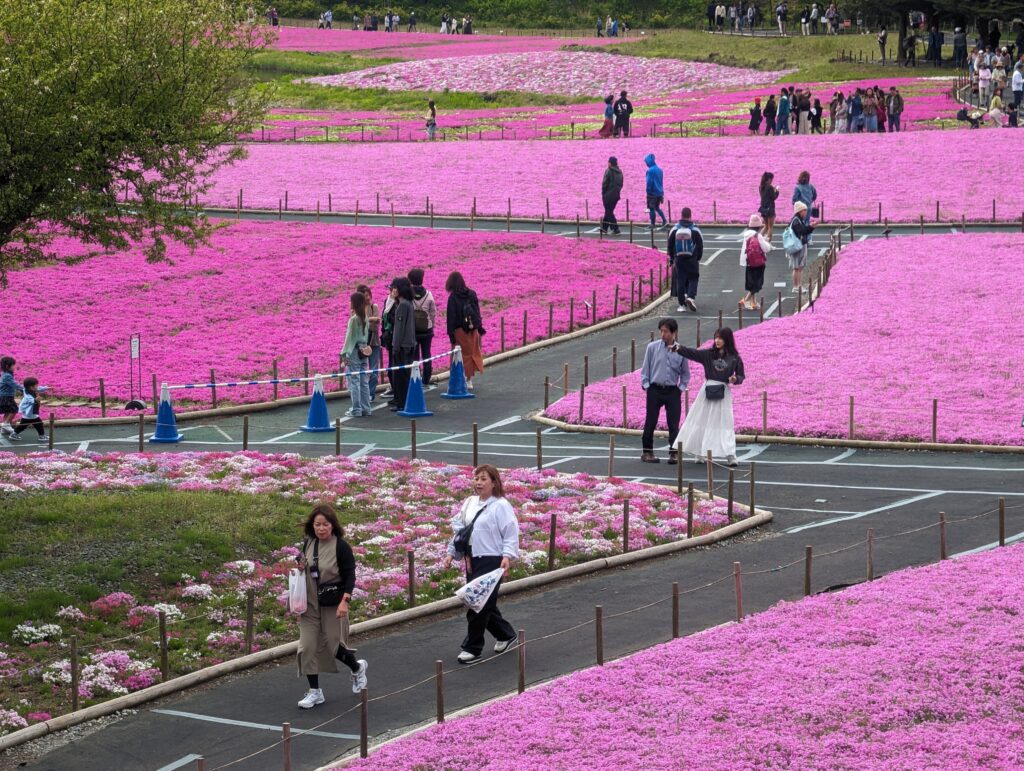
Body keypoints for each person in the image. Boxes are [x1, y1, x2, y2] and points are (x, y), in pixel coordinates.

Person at [443, 465, 519, 663]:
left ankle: (473, 647)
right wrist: (452, 553)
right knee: (481, 601)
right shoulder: (469, 502)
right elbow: (461, 530)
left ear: (494, 482)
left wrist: (507, 556)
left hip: (492, 558)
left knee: (479, 602)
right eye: (476, 478)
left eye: (484, 479)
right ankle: (505, 634)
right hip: (471, 558)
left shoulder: (501, 505)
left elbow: (510, 531)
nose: (478, 483)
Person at [295, 503, 367, 709]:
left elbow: (350, 575)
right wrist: (301, 566)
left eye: (325, 524)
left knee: (334, 645)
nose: (321, 528)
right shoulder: (309, 543)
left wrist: (345, 601)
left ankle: (357, 668)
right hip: (310, 603)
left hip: (333, 603)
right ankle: (314, 691)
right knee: (307, 646)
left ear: (332, 525)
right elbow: (306, 567)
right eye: (317, 524)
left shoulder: (341, 547)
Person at [673, 328, 745, 467]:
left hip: (723, 392)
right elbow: (693, 353)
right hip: (707, 391)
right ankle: (700, 453)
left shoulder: (735, 357)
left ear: (727, 340)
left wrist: (735, 379)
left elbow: (741, 375)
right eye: (716, 337)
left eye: (720, 338)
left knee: (725, 423)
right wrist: (679, 348)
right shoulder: (709, 354)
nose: (717, 340)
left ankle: (730, 455)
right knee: (701, 420)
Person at [639, 318, 689, 464]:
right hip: (654, 389)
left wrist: (680, 388)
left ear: (674, 333)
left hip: (672, 390)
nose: (662, 334)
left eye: (665, 331)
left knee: (673, 423)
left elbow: (685, 373)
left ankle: (674, 453)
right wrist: (646, 385)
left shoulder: (681, 351)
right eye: (661, 331)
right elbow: (645, 369)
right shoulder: (652, 347)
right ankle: (647, 452)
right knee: (651, 421)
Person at [445, 271, 484, 390]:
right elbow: (477, 311)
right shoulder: (472, 293)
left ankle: (459, 379)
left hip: (459, 331)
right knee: (471, 354)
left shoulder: (453, 297)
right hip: (472, 330)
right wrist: (479, 327)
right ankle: (468, 380)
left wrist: (451, 334)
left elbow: (451, 317)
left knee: (459, 355)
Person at [341, 291, 372, 418]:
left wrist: (344, 354)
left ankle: (356, 409)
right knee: (363, 381)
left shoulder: (353, 320)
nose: (349, 303)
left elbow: (349, 339)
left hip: (354, 352)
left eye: (351, 301)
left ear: (355, 303)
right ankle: (366, 408)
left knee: (354, 381)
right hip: (364, 350)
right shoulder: (365, 317)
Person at [388, 277, 417, 412]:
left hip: (402, 346)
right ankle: (402, 402)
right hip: (409, 344)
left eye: (395, 287)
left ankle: (401, 403)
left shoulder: (402, 305)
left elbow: (399, 329)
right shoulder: (409, 303)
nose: (392, 290)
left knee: (400, 377)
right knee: (404, 375)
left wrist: (395, 347)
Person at [668, 207, 704, 313]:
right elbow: (700, 245)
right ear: (690, 215)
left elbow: (670, 245)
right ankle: (690, 297)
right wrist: (698, 257)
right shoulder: (695, 229)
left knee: (680, 280)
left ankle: (681, 305)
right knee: (693, 278)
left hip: (679, 259)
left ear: (681, 215)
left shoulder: (675, 229)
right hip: (692, 259)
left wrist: (672, 257)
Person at [409, 268, 437, 386]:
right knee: (427, 354)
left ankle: (416, 377)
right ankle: (426, 378)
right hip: (427, 329)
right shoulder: (429, 294)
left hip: (413, 330)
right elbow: (433, 312)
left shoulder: (409, 295)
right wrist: (431, 324)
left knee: (414, 356)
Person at [740, 214, 771, 310]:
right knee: (757, 283)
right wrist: (767, 242)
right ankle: (746, 300)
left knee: (751, 281)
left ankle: (753, 302)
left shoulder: (746, 234)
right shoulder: (758, 236)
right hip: (758, 262)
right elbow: (766, 249)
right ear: (758, 227)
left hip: (748, 261)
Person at [356, 285, 382, 400]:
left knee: (374, 370)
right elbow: (358, 322)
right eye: (365, 296)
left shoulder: (374, 307)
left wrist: (368, 320)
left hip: (374, 342)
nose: (368, 298)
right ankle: (364, 393)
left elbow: (376, 325)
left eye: (368, 295)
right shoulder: (357, 309)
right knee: (362, 369)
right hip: (362, 344)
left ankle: (370, 393)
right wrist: (372, 319)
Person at [786, 201, 815, 290]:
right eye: (804, 210)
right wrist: (810, 227)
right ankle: (796, 286)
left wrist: (811, 227)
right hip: (797, 247)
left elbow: (803, 231)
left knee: (799, 267)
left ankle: (798, 286)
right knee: (797, 267)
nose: (806, 212)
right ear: (800, 211)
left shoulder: (798, 220)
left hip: (800, 246)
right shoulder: (796, 221)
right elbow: (801, 231)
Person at [10, 377, 46, 442]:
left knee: (23, 425)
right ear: (31, 387)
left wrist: (46, 388)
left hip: (29, 413)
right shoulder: (28, 394)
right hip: (31, 413)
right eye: (36, 385)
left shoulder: (29, 390)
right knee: (39, 423)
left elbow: (39, 389)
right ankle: (42, 436)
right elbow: (30, 400)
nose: (37, 387)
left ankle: (14, 434)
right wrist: (35, 399)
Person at [0, 357, 23, 437]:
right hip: (6, 396)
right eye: (13, 365)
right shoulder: (7, 376)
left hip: (5, 395)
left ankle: (4, 429)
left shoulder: (7, 374)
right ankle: (5, 424)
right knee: (14, 409)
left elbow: (13, 385)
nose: (15, 367)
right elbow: (14, 385)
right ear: (7, 366)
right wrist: (25, 389)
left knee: (7, 410)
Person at [644, 154, 668, 230]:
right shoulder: (660, 169)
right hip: (659, 192)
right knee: (657, 208)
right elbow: (661, 182)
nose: (646, 163)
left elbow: (649, 182)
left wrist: (648, 191)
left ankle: (652, 224)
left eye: (646, 162)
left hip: (652, 192)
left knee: (651, 208)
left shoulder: (650, 170)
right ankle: (664, 220)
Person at [601, 156, 623, 235]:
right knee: (608, 211)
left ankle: (616, 229)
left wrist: (603, 193)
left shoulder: (609, 171)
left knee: (609, 211)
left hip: (608, 195)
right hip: (616, 195)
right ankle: (604, 228)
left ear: (610, 163)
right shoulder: (619, 172)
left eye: (608, 162)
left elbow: (604, 184)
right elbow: (621, 184)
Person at [758, 171, 780, 239]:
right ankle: (768, 243)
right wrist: (777, 191)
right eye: (772, 179)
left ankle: (758, 240)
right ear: (769, 179)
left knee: (766, 226)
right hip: (770, 209)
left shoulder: (761, 187)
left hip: (763, 208)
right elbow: (773, 197)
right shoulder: (769, 187)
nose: (772, 181)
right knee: (770, 227)